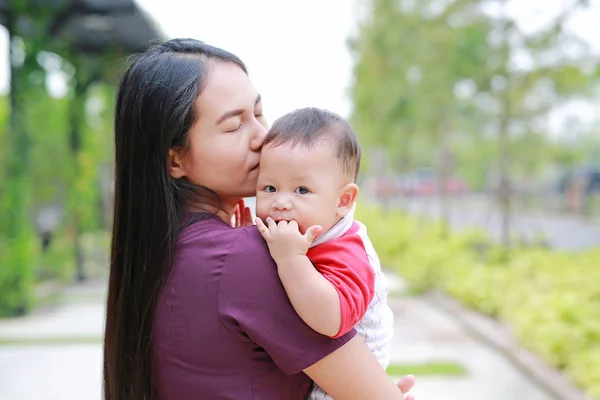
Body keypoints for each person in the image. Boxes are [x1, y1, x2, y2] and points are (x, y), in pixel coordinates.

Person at [103, 38, 416, 400]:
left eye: (258, 113)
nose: (262, 137)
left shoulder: (156, 253)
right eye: (235, 126)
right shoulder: (252, 258)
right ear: (176, 160)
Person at [255, 107, 394, 399]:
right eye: (269, 187)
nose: (280, 202)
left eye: (301, 190)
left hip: (350, 384)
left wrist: (290, 260)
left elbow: (330, 321)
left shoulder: (348, 250)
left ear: (343, 200)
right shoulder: (306, 229)